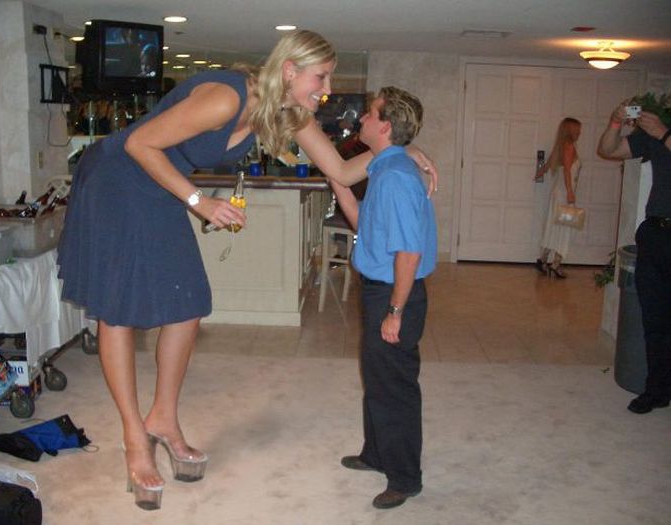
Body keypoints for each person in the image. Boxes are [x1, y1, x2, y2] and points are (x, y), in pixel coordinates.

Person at [57, 30, 438, 511]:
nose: (326, 90)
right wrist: (199, 202)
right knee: (119, 310)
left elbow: (341, 172)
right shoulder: (227, 97)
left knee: (189, 304)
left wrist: (399, 152)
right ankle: (135, 438)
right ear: (290, 70)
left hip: (161, 187)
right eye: (321, 77)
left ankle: (163, 419)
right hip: (119, 179)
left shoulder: (289, 112)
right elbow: (139, 144)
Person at [328, 86, 437, 509]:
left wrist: (395, 311)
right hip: (380, 288)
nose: (362, 119)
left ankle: (405, 477)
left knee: (395, 388)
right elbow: (364, 224)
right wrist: (338, 182)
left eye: (370, 115)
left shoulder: (395, 177)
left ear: (386, 126)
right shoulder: (384, 167)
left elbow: (409, 252)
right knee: (376, 377)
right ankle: (376, 453)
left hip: (394, 293)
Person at [597, 101, 671, 415]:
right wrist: (615, 123)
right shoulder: (655, 133)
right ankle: (657, 390)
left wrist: (664, 134)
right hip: (656, 233)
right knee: (654, 319)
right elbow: (609, 150)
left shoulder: (662, 133)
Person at [535, 117, 583, 279]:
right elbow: (567, 171)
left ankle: (543, 260)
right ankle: (555, 264)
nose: (579, 132)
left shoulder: (561, 146)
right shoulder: (569, 147)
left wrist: (540, 173)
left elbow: (548, 164)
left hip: (559, 193)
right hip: (564, 194)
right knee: (565, 228)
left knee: (554, 227)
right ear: (570, 130)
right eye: (577, 129)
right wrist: (570, 192)